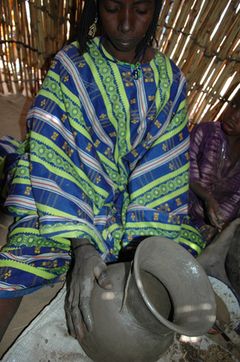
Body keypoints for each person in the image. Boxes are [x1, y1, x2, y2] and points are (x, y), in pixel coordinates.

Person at [0, 0, 204, 345]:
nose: (125, 24)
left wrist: (138, 246)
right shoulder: (71, 66)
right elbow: (52, 149)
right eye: (112, 8)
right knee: (24, 258)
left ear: (155, 12)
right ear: (96, 9)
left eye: (140, 11)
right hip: (63, 188)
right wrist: (81, 244)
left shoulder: (170, 80)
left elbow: (164, 166)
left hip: (132, 197)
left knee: (172, 257)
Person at [189, 90, 240, 244]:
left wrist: (218, 224)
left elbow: (235, 201)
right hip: (177, 211)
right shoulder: (205, 132)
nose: (234, 115)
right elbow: (186, 170)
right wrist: (207, 198)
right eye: (234, 105)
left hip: (208, 230)